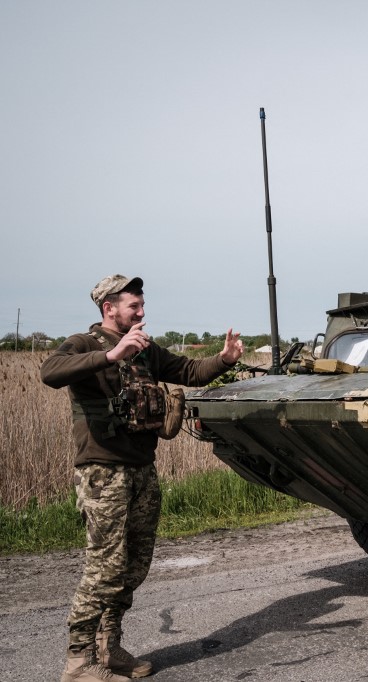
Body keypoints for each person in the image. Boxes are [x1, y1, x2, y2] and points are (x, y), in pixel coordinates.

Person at [40, 275, 244, 682]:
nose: (141, 313)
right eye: (133, 306)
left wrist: (223, 360)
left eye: (141, 305)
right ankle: (78, 662)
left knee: (134, 564)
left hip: (141, 470)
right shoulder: (84, 344)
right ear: (108, 308)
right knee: (104, 566)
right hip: (102, 472)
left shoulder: (145, 349)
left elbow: (188, 369)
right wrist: (112, 354)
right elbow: (51, 371)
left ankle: (109, 648)